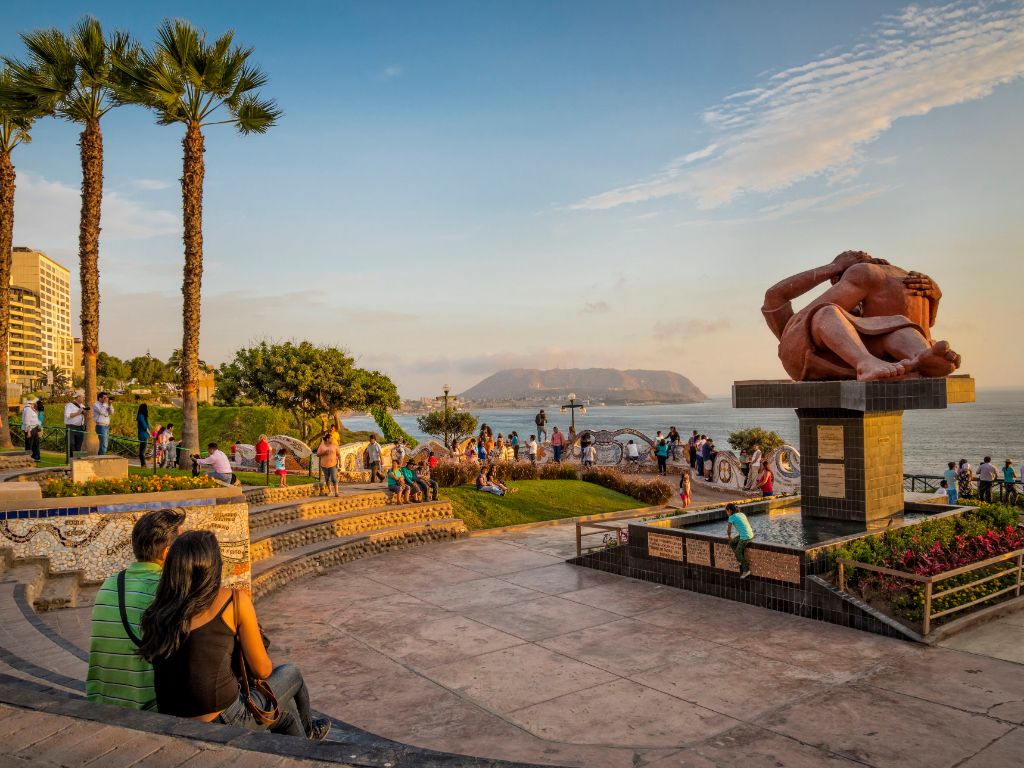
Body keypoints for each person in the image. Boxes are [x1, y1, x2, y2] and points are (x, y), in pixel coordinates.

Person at [138, 530, 330, 739]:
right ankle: (310, 731)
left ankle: (305, 742)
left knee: (287, 713)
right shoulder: (233, 600)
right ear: (212, 567)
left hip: (172, 719)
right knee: (292, 673)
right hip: (224, 719)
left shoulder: (157, 611)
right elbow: (262, 670)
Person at [762, 250, 960, 382]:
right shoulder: (799, 331)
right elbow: (774, 297)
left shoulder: (866, 322)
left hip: (882, 360)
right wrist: (834, 267)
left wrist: (934, 295)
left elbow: (926, 323)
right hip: (812, 359)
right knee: (826, 313)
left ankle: (920, 357)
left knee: (897, 326)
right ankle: (865, 363)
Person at [87, 508, 186, 710]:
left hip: (101, 702)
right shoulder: (168, 590)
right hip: (148, 708)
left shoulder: (110, 583)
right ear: (168, 552)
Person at [725, 503, 754, 579]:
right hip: (750, 534)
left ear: (730, 511)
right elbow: (748, 525)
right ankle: (740, 560)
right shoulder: (741, 514)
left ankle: (746, 570)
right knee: (732, 543)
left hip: (745, 537)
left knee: (738, 552)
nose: (726, 513)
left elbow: (728, 530)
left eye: (726, 511)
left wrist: (729, 537)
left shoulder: (731, 517)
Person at [64, 392, 87, 457]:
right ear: (78, 397)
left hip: (80, 427)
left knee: (79, 444)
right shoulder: (69, 405)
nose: (84, 398)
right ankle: (70, 460)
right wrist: (78, 412)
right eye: (82, 397)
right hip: (71, 427)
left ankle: (77, 460)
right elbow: (68, 415)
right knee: (71, 444)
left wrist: (84, 413)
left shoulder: (82, 406)